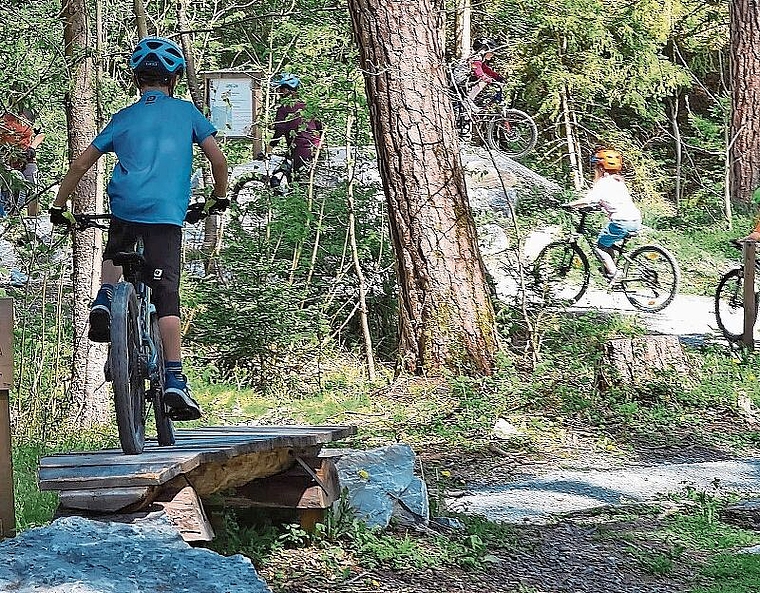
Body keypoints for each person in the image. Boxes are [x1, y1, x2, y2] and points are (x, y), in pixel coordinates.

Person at [49, 36, 229, 421]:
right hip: (165, 213)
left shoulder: (123, 118)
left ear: (136, 79)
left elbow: (81, 165)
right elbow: (219, 160)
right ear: (174, 79)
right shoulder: (187, 113)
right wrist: (218, 197)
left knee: (116, 249)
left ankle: (104, 299)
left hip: (127, 207)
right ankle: (175, 379)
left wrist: (59, 206)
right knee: (166, 294)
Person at [565, 148, 642, 284]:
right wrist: (599, 206)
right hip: (635, 220)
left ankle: (615, 273)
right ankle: (611, 270)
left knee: (599, 246)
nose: (595, 170)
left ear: (601, 168)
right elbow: (611, 200)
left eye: (596, 167)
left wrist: (570, 205)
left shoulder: (603, 183)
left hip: (620, 221)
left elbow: (587, 200)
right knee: (609, 242)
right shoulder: (618, 182)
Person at [265, 73, 322, 188]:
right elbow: (320, 126)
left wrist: (269, 150)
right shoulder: (308, 105)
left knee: (297, 185)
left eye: (281, 89)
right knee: (309, 183)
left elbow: (279, 131)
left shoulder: (284, 108)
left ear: (287, 90)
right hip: (316, 149)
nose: (279, 92)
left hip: (300, 151)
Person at [465, 38, 505, 112]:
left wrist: (497, 76)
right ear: (484, 50)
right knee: (482, 82)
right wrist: (487, 79)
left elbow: (485, 69)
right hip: (462, 80)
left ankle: (470, 102)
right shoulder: (476, 59)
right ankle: (468, 101)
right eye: (492, 52)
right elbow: (479, 72)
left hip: (467, 80)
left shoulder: (480, 59)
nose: (493, 54)